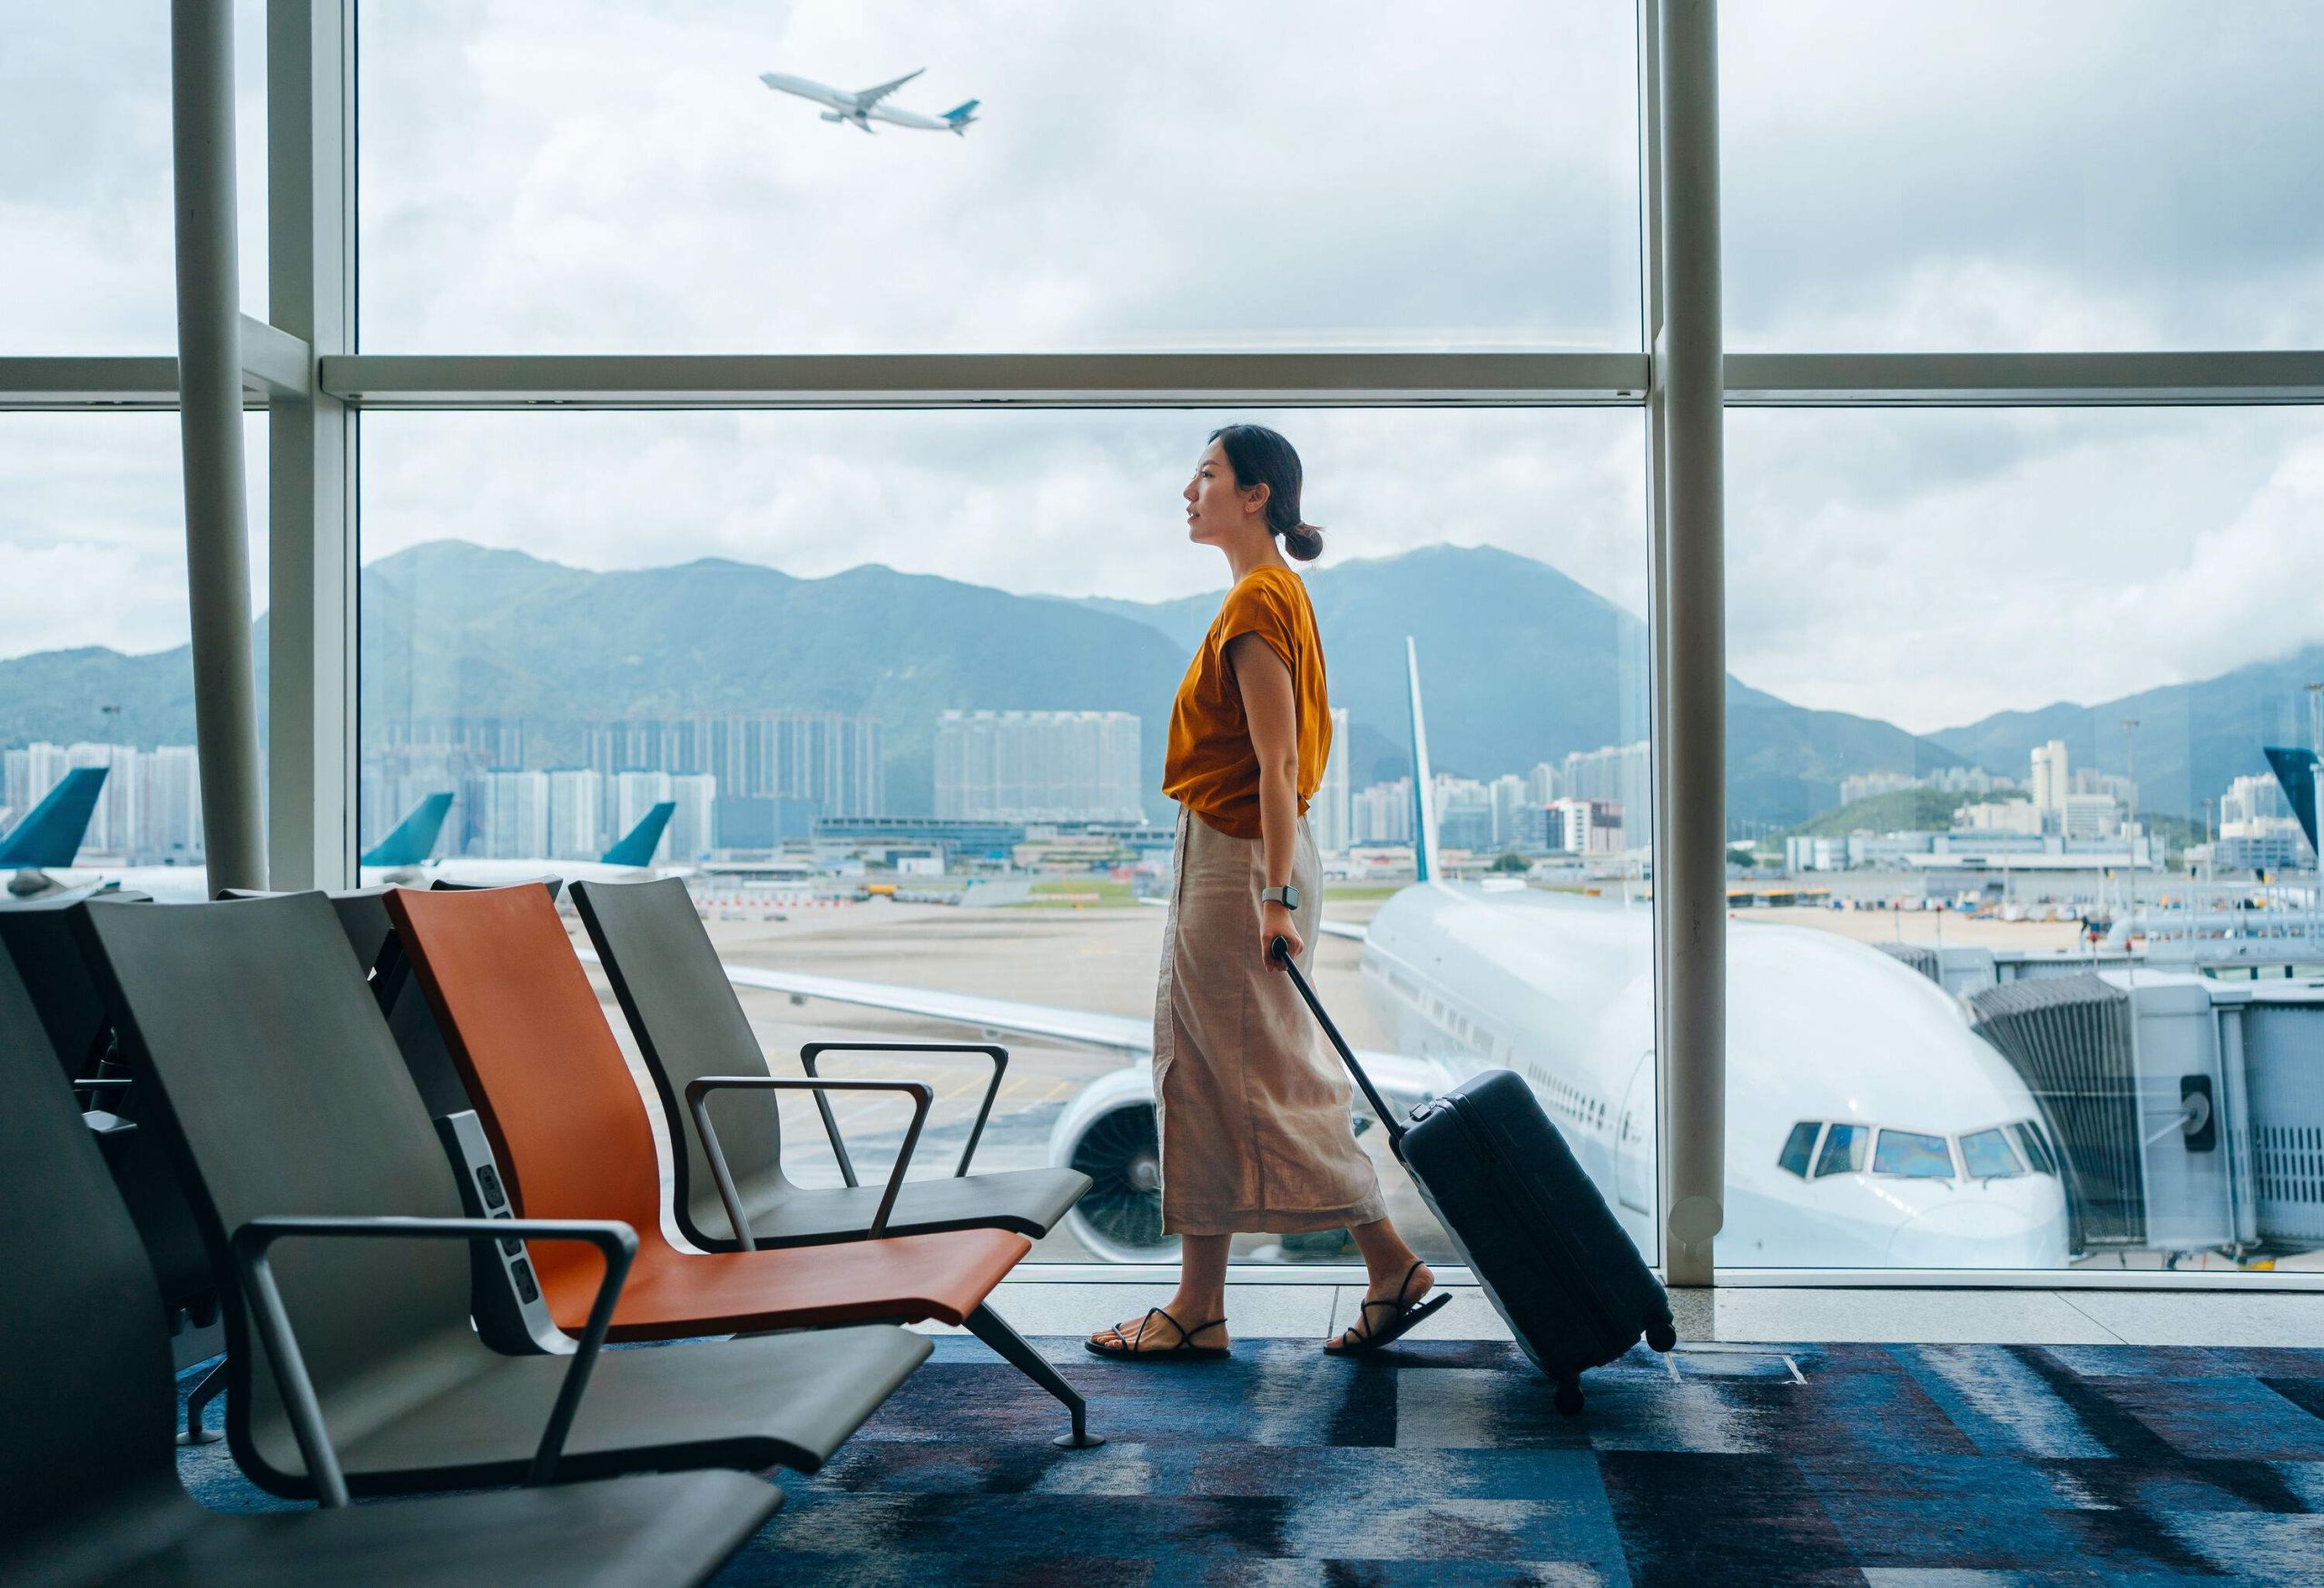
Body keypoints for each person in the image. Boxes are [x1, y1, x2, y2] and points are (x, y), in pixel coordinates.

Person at [1088, 424, 1445, 1363]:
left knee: (1258, 1074)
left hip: (1244, 859)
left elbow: (1278, 762)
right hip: (1239, 854)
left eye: (1205, 475)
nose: (1187, 490)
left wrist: (1274, 896)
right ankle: (1203, 1302)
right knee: (1205, 1073)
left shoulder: (1255, 604)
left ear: (1255, 495)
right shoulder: (1271, 595)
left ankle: (1383, 1264)